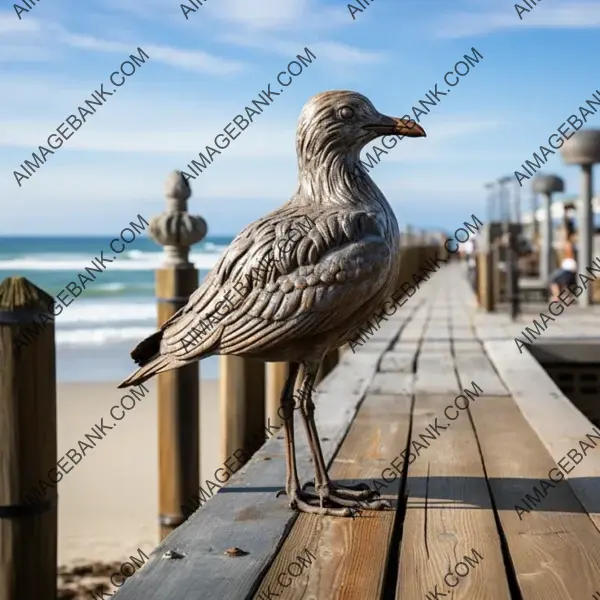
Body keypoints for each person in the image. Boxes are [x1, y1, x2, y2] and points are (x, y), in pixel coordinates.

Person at [549, 221, 577, 300]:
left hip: (568, 266)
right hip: (569, 266)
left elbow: (565, 238)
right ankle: (565, 297)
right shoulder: (571, 243)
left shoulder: (568, 243)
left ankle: (556, 297)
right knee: (565, 282)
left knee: (554, 280)